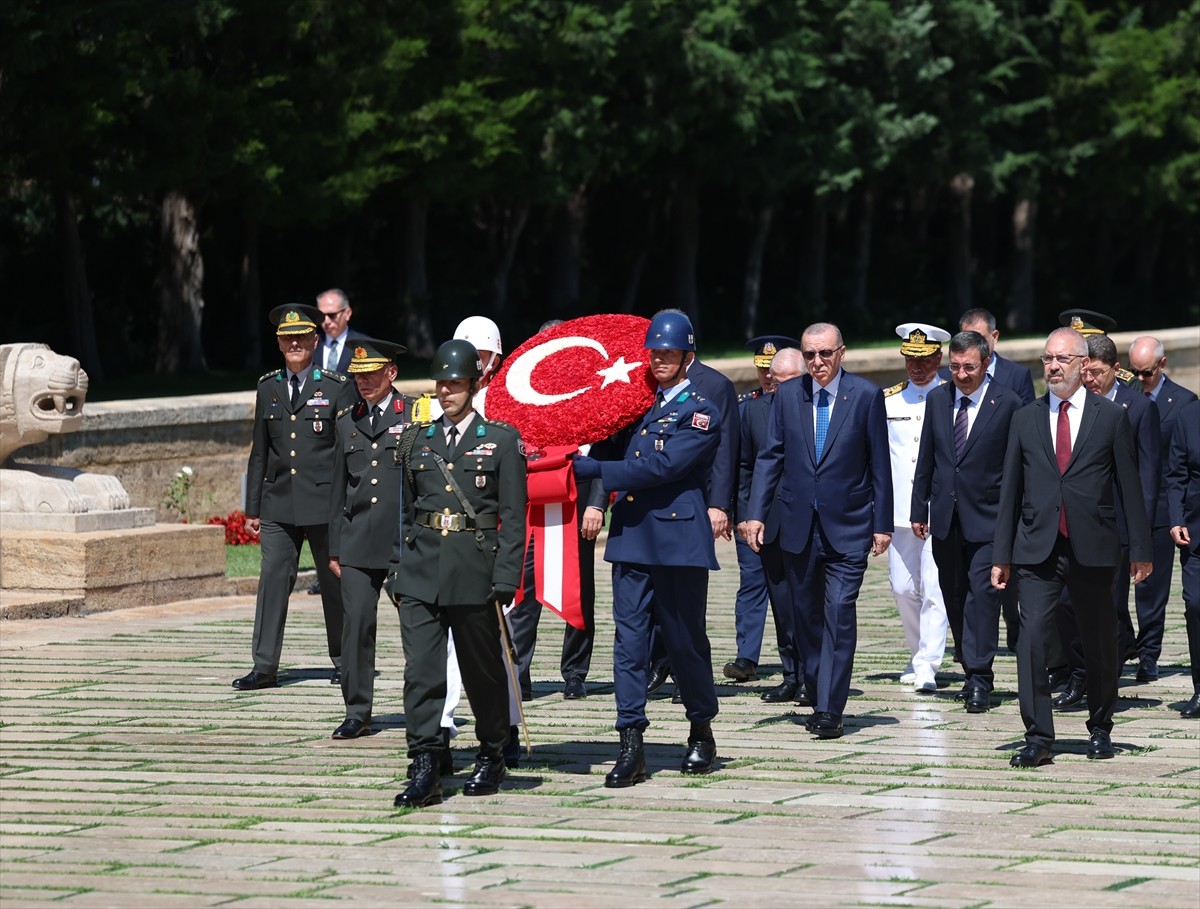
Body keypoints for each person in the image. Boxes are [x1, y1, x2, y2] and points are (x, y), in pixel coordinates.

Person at [571, 310, 722, 786]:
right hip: (633, 537)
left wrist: (594, 473)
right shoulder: (637, 404)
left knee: (684, 643)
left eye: (669, 354)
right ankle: (630, 740)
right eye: (654, 353)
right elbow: (605, 440)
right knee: (629, 644)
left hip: (677, 541)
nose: (659, 360)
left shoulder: (702, 409)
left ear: (687, 357)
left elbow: (662, 468)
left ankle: (701, 728)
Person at [992, 328, 1152, 767]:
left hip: (1093, 547)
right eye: (1047, 359)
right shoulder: (1025, 418)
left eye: (1062, 358)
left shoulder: (1110, 416)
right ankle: (1038, 736)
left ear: (1083, 364)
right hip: (1037, 548)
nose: (1053, 366)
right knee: (1031, 641)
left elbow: (1129, 487)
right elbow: (1011, 490)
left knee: (1100, 640)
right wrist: (1000, 555)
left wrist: (1140, 547)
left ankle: (1100, 725)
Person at [388, 339, 527, 808]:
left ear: (474, 383)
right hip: (422, 570)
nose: (447, 392)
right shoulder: (416, 439)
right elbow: (405, 511)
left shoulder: (502, 440)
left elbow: (514, 517)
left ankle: (492, 751)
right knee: (422, 672)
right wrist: (397, 566)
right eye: (442, 383)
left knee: (481, 671)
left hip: (475, 571)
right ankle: (425, 759)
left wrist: (506, 577)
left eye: (456, 383)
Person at [744, 322, 892, 740]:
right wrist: (756, 513)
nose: (817, 363)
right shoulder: (788, 396)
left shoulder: (864, 396)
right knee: (805, 617)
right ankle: (815, 685)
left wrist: (883, 523)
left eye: (825, 354)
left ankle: (830, 707)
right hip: (797, 526)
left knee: (839, 613)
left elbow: (879, 463)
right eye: (809, 355)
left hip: (849, 524)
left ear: (841, 353)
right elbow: (770, 457)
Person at [232, 304, 357, 691]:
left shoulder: (336, 386)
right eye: (288, 339)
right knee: (271, 582)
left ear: (315, 341)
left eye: (302, 337)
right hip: (279, 503)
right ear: (279, 344)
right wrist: (252, 508)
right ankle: (264, 665)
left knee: (333, 584)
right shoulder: (267, 386)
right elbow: (259, 451)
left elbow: (345, 450)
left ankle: (342, 660)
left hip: (324, 504)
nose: (295, 344)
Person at [910, 330, 1021, 711]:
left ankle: (980, 678)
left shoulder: (1007, 404)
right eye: (955, 366)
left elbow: (1014, 468)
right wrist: (917, 508)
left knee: (984, 598)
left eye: (969, 367)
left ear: (986, 363)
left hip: (988, 519)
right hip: (945, 517)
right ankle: (966, 660)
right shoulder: (939, 399)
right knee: (954, 596)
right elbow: (928, 456)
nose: (961, 374)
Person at [1051, 329, 1160, 710]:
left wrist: (1138, 538)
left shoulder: (1138, 408)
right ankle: (1080, 671)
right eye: (1086, 372)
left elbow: (1144, 480)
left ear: (1116, 370)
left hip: (1118, 530)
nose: (1091, 380)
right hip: (1075, 524)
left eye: (1098, 373)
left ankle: (1101, 683)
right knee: (1065, 604)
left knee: (1106, 609)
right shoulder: (1072, 405)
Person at [507, 319, 605, 702]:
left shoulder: (594, 392)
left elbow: (603, 451)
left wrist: (597, 503)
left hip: (577, 503)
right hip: (531, 503)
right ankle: (520, 672)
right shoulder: (522, 393)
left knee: (578, 590)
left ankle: (575, 672)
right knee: (524, 591)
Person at [646, 309, 740, 698]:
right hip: (652, 503)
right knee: (651, 597)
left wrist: (719, 504)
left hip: (693, 501)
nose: (661, 355)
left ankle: (689, 674)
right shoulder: (647, 381)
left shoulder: (714, 385)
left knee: (686, 600)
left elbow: (726, 450)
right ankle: (658, 660)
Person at [327, 338, 416, 740]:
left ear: (391, 373)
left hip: (403, 539)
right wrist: (334, 548)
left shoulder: (415, 414)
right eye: (358, 376)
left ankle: (422, 708)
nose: (363, 382)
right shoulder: (346, 419)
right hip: (358, 541)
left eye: (371, 375)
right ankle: (356, 711)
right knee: (357, 626)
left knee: (416, 629)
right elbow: (338, 489)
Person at [952, 308, 1035, 655]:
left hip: (993, 506)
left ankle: (1002, 638)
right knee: (959, 589)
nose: (962, 372)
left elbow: (1023, 443)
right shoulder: (947, 389)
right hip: (954, 512)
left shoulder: (1014, 382)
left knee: (994, 587)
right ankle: (968, 652)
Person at [723, 335, 800, 686]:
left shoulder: (805, 405)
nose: (768, 375)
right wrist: (738, 513)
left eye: (774, 370)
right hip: (755, 513)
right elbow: (741, 467)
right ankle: (746, 656)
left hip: (795, 515)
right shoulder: (748, 408)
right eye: (762, 368)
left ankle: (799, 660)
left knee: (794, 590)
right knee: (751, 582)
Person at [883, 323, 950, 694]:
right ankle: (917, 652)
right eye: (910, 359)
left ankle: (928, 663)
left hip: (936, 509)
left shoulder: (950, 396)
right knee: (903, 588)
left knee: (934, 588)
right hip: (897, 509)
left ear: (938, 357)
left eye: (924, 360)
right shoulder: (888, 400)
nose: (917, 367)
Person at [1127, 335, 1198, 683]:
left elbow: (1180, 465)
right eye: (1134, 372)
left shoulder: (1184, 403)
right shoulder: (1122, 399)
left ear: (1163, 365)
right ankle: (1126, 641)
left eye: (1147, 373)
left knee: (1151, 589)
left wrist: (1176, 513)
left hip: (1159, 507)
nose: (1141, 379)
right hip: (1123, 503)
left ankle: (1149, 654)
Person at [1166, 400, 1200, 718]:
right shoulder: (1187, 415)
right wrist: (1176, 518)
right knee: (1196, 605)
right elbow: (1175, 474)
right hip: (1196, 532)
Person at [317, 289, 368, 375]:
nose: (326, 321)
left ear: (347, 313)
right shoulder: (311, 344)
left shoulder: (364, 344)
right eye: (322, 315)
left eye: (332, 315)